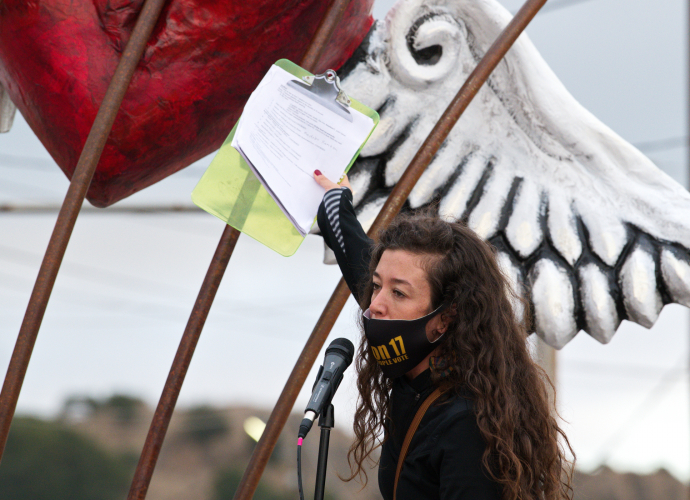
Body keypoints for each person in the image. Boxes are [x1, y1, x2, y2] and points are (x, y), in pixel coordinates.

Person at [314, 171, 574, 500]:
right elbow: (355, 255)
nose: (374, 304)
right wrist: (335, 205)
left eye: (399, 293)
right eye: (377, 285)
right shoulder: (418, 374)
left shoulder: (468, 425)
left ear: (445, 317)